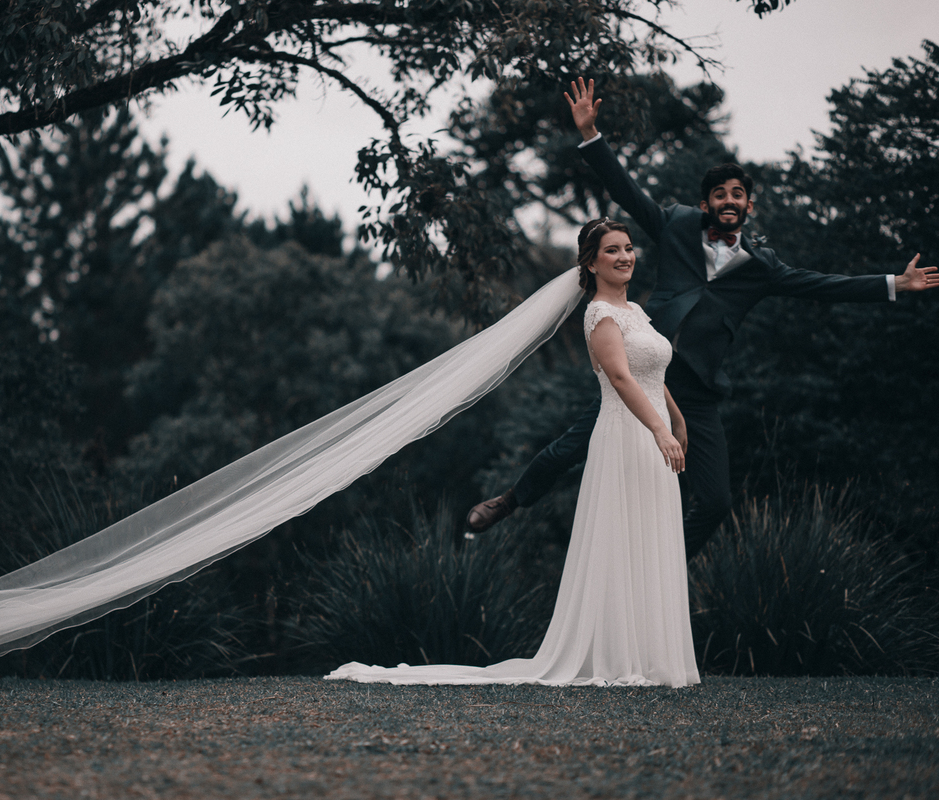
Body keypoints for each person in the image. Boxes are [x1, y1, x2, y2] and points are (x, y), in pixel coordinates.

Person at [466, 77, 939, 558]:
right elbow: (628, 194)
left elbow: (822, 286)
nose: (729, 200)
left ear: (749, 206)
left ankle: (661, 569)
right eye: (719, 194)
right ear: (705, 203)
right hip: (645, 368)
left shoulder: (762, 268)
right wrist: (592, 136)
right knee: (569, 448)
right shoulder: (675, 226)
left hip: (700, 390)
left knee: (714, 502)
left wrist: (894, 284)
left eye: (738, 194)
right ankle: (509, 501)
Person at [326, 218, 700, 686]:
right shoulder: (600, 314)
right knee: (625, 531)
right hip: (627, 433)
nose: (625, 257)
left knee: (650, 529)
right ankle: (617, 656)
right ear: (591, 261)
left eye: (628, 248)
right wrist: (657, 432)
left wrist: (677, 419)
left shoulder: (638, 313)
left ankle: (653, 656)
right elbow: (622, 379)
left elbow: (653, 373)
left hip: (654, 428)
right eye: (612, 251)